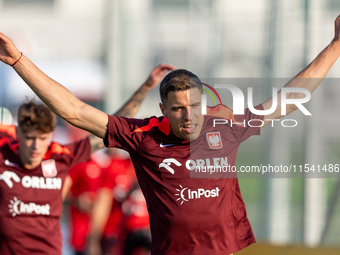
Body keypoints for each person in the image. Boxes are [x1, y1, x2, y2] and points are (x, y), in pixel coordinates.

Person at [1, 15, 340, 254]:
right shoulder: (143, 135)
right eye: (177, 108)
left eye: (194, 105)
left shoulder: (225, 127)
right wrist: (18, 61)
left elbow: (288, 100)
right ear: (163, 109)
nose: (188, 115)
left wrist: (336, 45)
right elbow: (74, 110)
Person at [0, 62, 175, 255]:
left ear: (50, 135)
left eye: (42, 139)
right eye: (30, 138)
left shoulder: (61, 157)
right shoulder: (4, 156)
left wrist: (145, 88)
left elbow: (114, 129)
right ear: (19, 134)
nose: (35, 146)